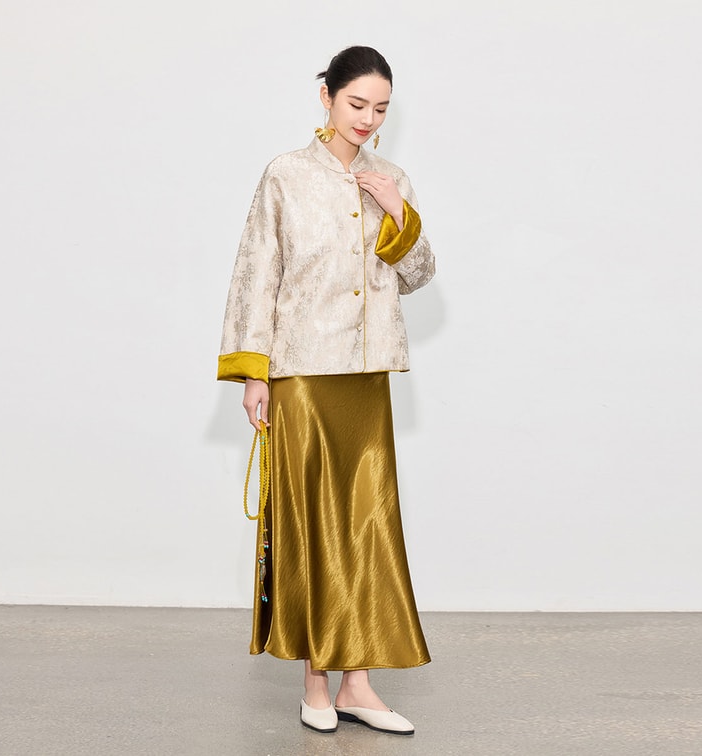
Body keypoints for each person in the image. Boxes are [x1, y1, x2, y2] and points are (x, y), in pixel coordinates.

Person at [217, 45, 435, 736]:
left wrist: (397, 211)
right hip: (303, 375)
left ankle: (357, 685)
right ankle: (315, 683)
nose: (367, 119)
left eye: (381, 109)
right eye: (356, 104)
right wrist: (254, 372)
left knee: (368, 525)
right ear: (327, 97)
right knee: (312, 526)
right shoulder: (286, 175)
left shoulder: (392, 178)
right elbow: (257, 272)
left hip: (366, 376)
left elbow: (419, 274)